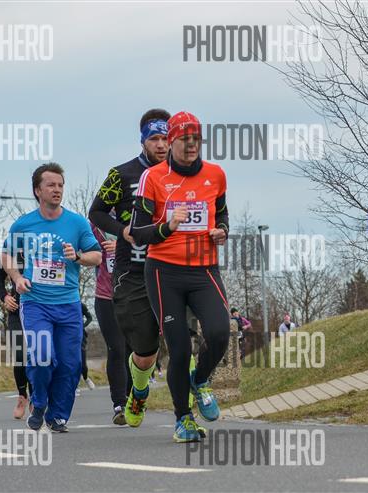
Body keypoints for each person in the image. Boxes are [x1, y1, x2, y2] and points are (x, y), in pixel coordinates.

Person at [131, 110, 230, 443]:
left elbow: (222, 213)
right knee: (180, 348)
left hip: (204, 269)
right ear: (171, 142)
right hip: (164, 271)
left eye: (196, 140)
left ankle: (200, 380)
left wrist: (222, 231)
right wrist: (167, 226)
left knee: (220, 332)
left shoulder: (216, 174)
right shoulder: (153, 177)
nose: (191, 146)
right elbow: (138, 231)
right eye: (184, 140)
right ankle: (182, 419)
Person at [2, 162, 102, 433]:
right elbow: (6, 255)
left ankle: (57, 416)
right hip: (35, 303)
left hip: (68, 304)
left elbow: (97, 256)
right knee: (42, 355)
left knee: (70, 364)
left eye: (60, 185)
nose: (57, 190)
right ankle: (39, 401)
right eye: (51, 185)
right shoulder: (24, 224)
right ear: (38, 190)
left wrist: (78, 256)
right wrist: (17, 278)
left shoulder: (76, 223)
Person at [88, 109, 171, 428]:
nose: (161, 145)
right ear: (143, 140)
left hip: (173, 269)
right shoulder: (121, 174)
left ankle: (187, 407)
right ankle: (127, 397)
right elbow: (96, 212)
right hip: (132, 271)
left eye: (166, 138)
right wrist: (121, 231)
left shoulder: (182, 176)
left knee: (181, 339)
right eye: (155, 139)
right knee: (132, 346)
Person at [91, 221, 131, 424]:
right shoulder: (95, 225)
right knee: (116, 348)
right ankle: (120, 404)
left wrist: (122, 246)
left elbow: (153, 247)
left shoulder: (138, 218)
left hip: (135, 296)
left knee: (136, 350)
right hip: (106, 297)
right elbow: (86, 253)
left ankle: (134, 397)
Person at [0, 257, 33, 419]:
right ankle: (22, 395)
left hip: (38, 310)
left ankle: (35, 395)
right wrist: (5, 297)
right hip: (16, 310)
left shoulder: (43, 249)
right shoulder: (11, 254)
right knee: (20, 354)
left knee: (36, 356)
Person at [78, 302, 96, 392]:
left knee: (82, 363)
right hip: (68, 334)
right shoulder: (64, 304)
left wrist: (82, 326)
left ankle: (85, 378)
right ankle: (75, 385)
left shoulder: (81, 305)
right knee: (72, 362)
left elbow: (90, 317)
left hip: (81, 335)